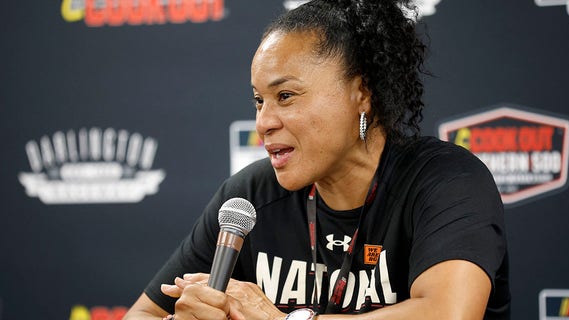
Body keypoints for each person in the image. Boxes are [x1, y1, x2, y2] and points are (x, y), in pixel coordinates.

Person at [124, 0, 510, 319]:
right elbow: (143, 314)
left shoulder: (446, 181)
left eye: (286, 96)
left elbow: (447, 313)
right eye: (259, 100)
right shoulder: (250, 196)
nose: (263, 122)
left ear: (362, 92)